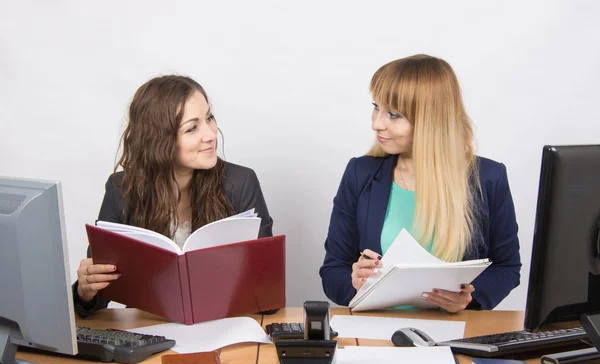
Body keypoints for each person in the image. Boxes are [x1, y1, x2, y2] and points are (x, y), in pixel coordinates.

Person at [319, 54, 521, 312]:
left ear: (432, 121)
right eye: (376, 107)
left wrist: (470, 298)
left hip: (453, 332)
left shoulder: (488, 178)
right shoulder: (360, 173)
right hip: (376, 329)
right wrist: (355, 281)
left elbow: (507, 268)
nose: (376, 123)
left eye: (393, 114)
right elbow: (332, 271)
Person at [73, 75, 273, 317]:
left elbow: (268, 300)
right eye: (192, 128)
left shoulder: (241, 183)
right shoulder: (121, 189)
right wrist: (85, 292)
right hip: (149, 330)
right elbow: (97, 299)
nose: (210, 134)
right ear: (159, 140)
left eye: (209, 118)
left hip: (223, 326)